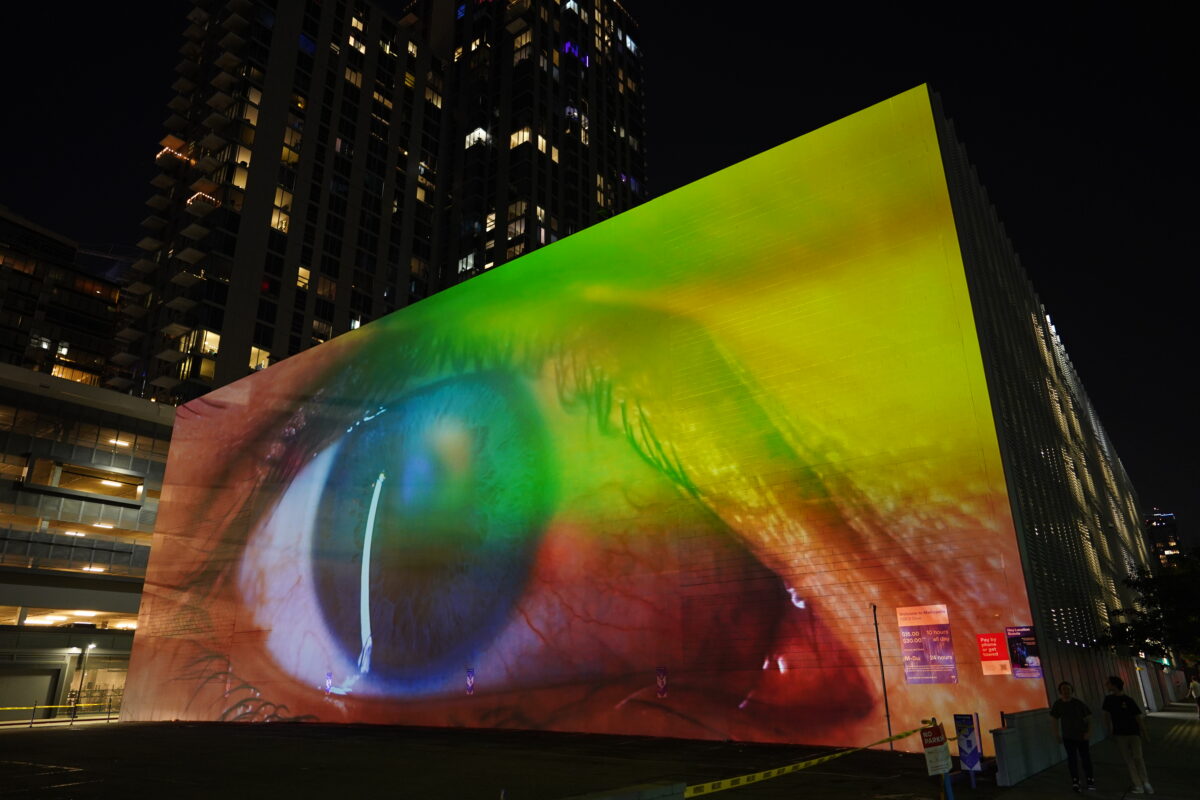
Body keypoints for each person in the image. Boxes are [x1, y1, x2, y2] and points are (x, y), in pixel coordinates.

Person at [1102, 675, 1152, 794]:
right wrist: (1109, 730)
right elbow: (1107, 716)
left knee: (1137, 758)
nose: (1106, 685)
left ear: (1114, 685)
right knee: (1131, 759)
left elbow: (1137, 717)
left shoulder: (1128, 700)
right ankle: (1140, 784)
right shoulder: (1108, 699)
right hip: (1121, 733)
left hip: (1132, 732)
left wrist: (1144, 733)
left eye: (1108, 683)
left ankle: (1144, 782)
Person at [1050, 681, 1094, 792]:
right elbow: (1054, 719)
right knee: (1072, 759)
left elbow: (1089, 718)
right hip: (1068, 737)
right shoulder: (1058, 704)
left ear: (1071, 690)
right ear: (1060, 691)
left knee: (1085, 758)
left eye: (1068, 689)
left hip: (1081, 735)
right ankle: (1075, 780)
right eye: (1064, 689)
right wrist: (1056, 734)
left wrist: (1089, 732)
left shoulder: (1078, 703)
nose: (1066, 691)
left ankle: (1090, 779)